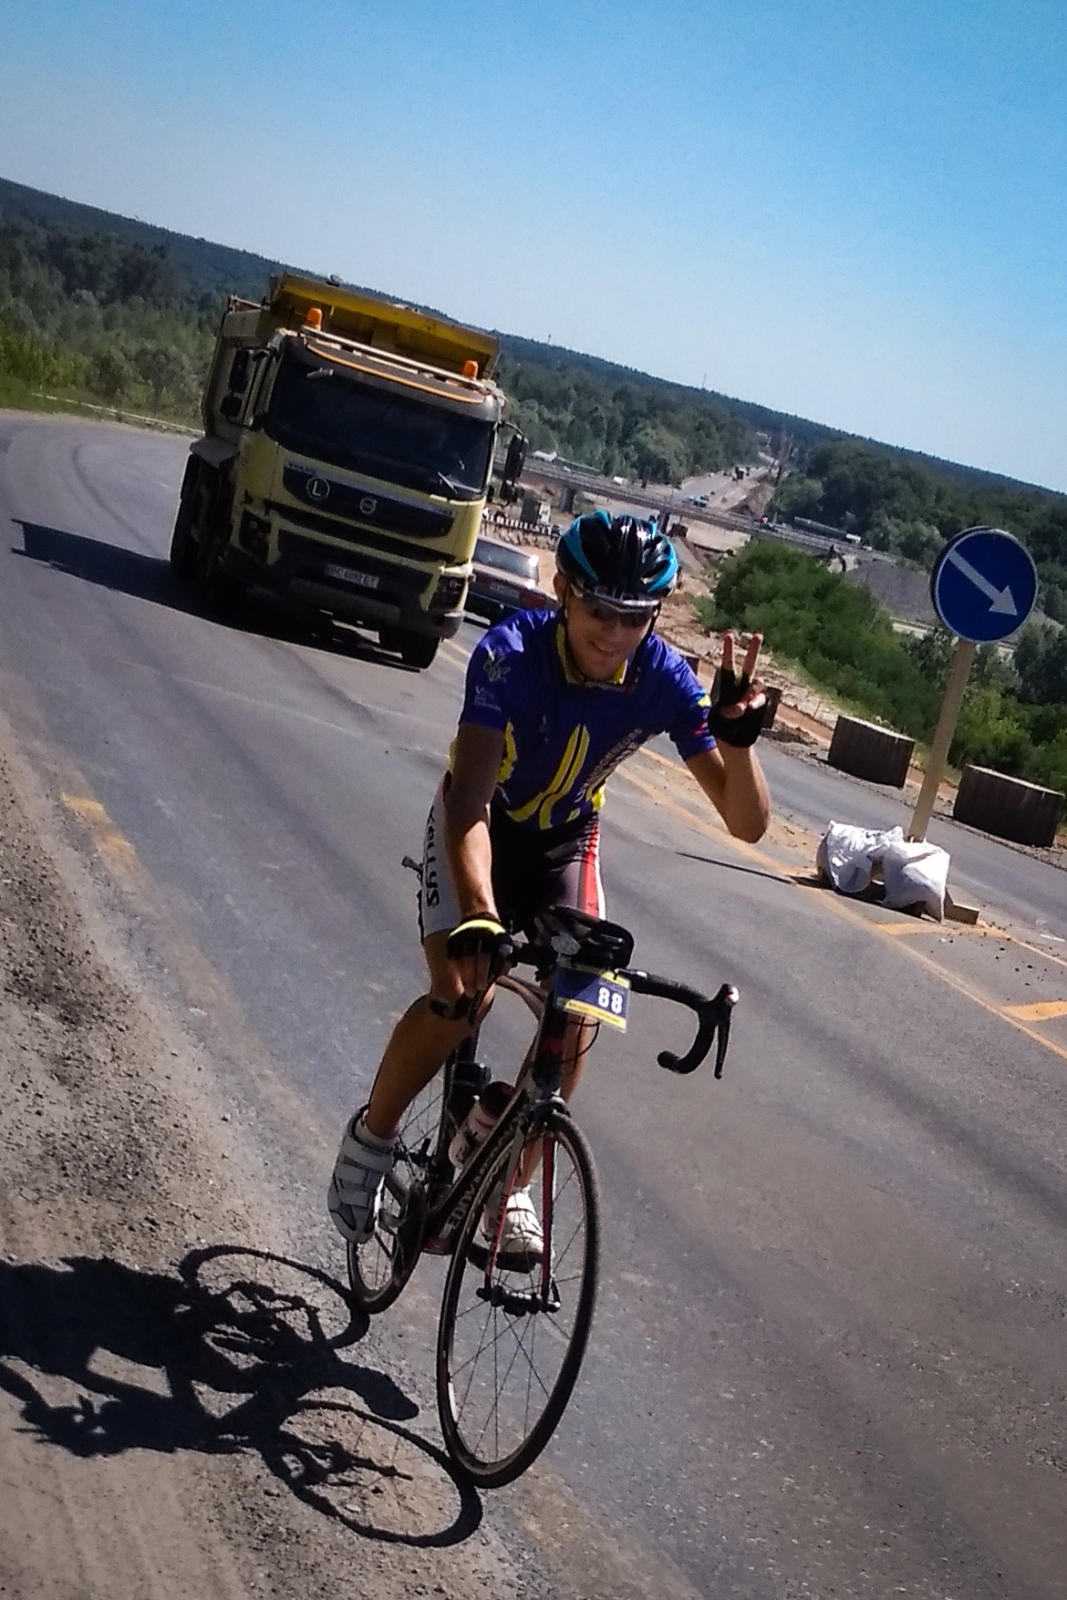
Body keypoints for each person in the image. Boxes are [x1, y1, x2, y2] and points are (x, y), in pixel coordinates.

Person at [328, 511, 770, 1255]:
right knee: (462, 995)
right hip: (480, 824)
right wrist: (479, 914)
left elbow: (746, 823)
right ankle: (369, 1141)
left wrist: (738, 742)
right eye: (599, 609)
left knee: (580, 1011)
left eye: (635, 616)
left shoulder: (662, 676)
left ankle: (510, 1181)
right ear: (562, 590)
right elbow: (470, 800)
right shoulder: (510, 655)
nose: (614, 633)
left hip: (565, 842)